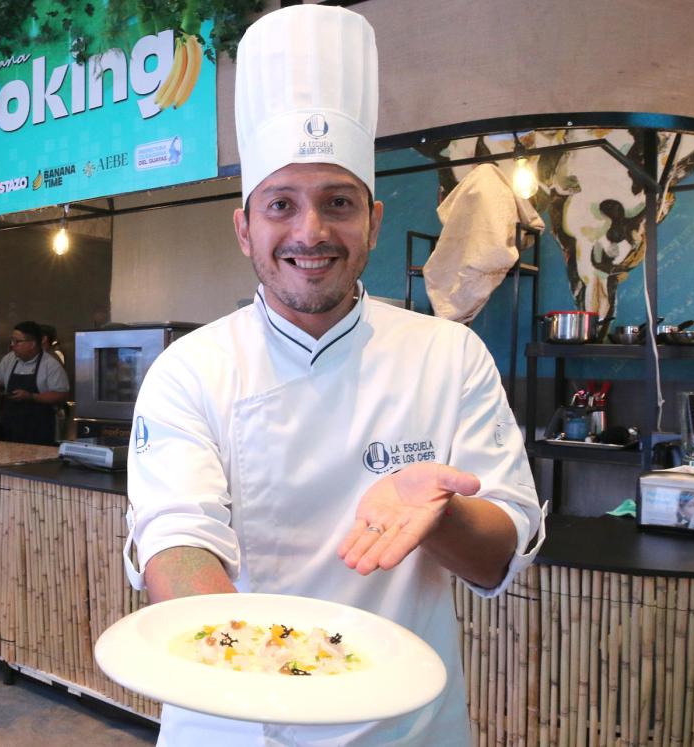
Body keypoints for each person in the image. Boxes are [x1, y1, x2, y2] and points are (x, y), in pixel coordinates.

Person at [124, 6, 545, 745]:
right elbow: (177, 539)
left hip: (407, 731)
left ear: (375, 222)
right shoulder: (190, 369)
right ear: (245, 226)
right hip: (231, 722)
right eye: (281, 204)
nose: (310, 232)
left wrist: (441, 514)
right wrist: (253, 661)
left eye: (338, 203)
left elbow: (501, 550)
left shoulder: (449, 355)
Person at [0, 321, 70, 445]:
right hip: (11, 431)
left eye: (17, 342)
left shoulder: (50, 365)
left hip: (39, 433)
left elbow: (62, 395)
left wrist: (31, 397)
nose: (12, 346)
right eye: (11, 341)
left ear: (32, 344)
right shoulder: (10, 359)